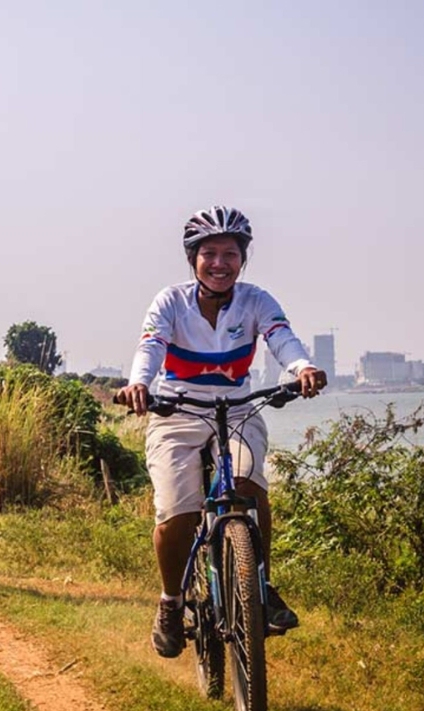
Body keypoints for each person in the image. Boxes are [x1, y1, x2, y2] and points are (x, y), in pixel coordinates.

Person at [115, 205, 328, 659]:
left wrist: (302, 366)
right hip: (177, 410)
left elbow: (281, 336)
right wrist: (140, 384)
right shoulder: (170, 301)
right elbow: (150, 345)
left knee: (250, 486)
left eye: (229, 253)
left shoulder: (256, 300)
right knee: (177, 512)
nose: (219, 263)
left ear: (242, 259)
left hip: (238, 408)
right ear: (192, 258)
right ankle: (171, 603)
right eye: (208, 253)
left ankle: (262, 586)